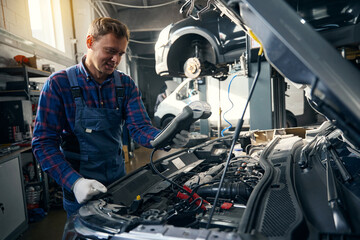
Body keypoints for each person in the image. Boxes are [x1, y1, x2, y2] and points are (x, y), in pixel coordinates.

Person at [32, 17, 189, 217]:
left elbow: (139, 128)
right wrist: (75, 183)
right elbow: (43, 143)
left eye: (120, 53)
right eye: (110, 51)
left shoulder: (125, 85)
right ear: (90, 42)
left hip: (117, 183)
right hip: (80, 189)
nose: (115, 60)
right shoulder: (58, 84)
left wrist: (166, 137)